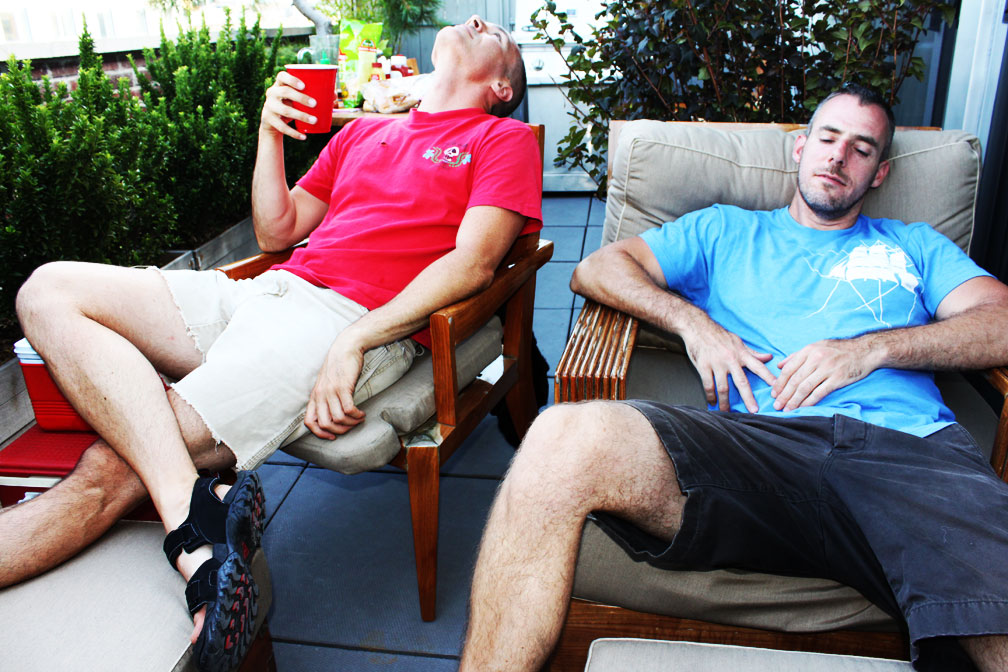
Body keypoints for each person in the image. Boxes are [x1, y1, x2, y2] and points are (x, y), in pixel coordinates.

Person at [4, 14, 540, 672]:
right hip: (262, 292)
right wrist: (269, 132)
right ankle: (194, 515)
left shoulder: (501, 140)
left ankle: (190, 533)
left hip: (340, 318)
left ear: (501, 88)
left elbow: (474, 264)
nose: (479, 20)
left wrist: (356, 338)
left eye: (499, 38)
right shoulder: (363, 132)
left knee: (112, 466)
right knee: (46, 291)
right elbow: (276, 232)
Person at [459, 84, 1008, 672]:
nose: (838, 156)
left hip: (909, 453)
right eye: (827, 138)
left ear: (879, 173)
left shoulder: (914, 245)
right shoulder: (726, 231)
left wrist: (869, 350)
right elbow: (598, 269)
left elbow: (999, 320)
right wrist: (694, 325)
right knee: (561, 436)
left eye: (861, 148)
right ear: (800, 147)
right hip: (759, 458)